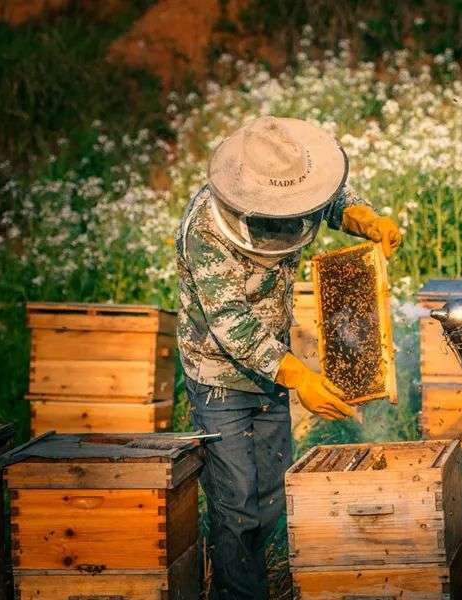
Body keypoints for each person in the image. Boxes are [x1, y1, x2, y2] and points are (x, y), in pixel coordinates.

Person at [176, 116, 401, 599]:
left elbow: (331, 197)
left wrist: (366, 217)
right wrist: (301, 377)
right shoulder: (206, 228)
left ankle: (256, 581)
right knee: (236, 504)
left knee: (271, 495)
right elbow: (231, 322)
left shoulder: (292, 182)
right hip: (219, 371)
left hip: (273, 364)